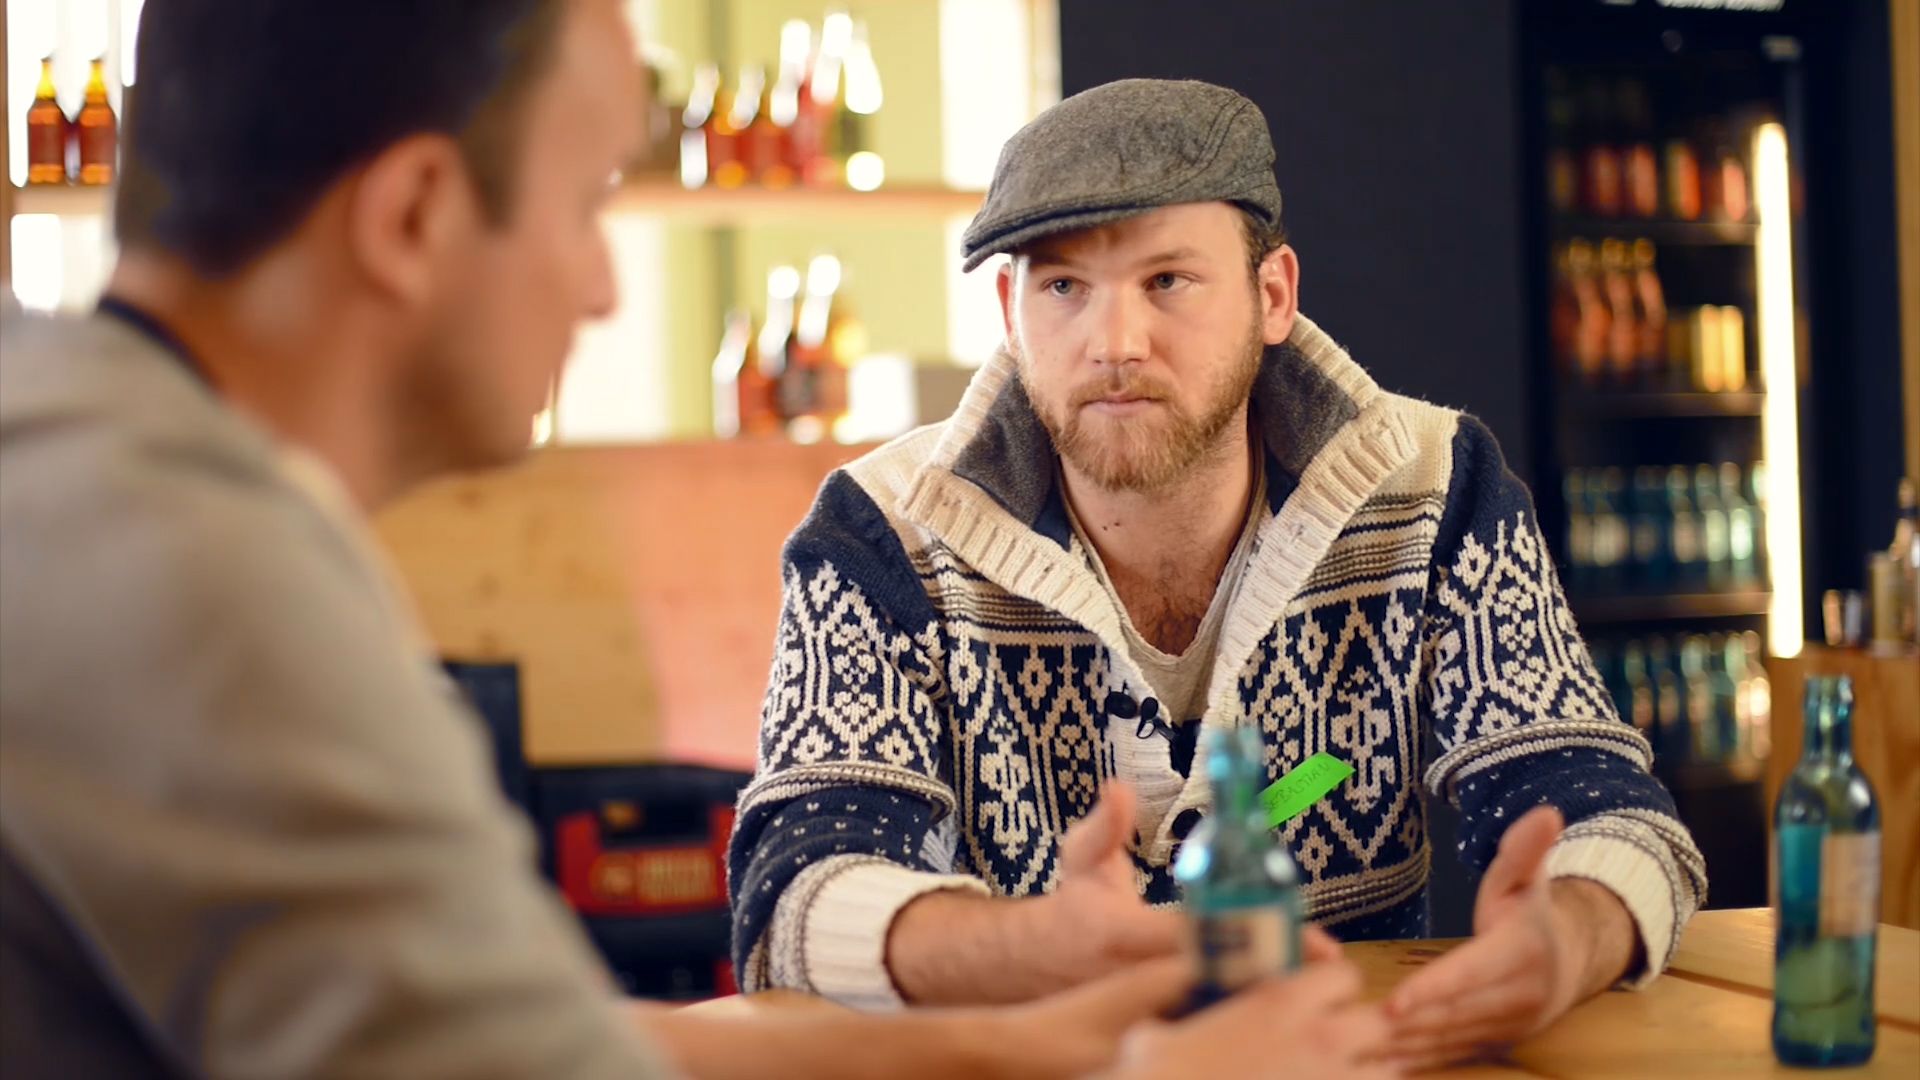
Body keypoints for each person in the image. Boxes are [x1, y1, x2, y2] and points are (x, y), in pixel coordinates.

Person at [0, 4, 1394, 1078]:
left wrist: (1021, 1045)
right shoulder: (203, 596)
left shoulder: (86, 469)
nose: (604, 287)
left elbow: (541, 1045)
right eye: (585, 202)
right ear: (414, 216)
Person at [729, 77, 1709, 1069]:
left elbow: (1609, 809)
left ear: (1272, 295)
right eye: (1063, 287)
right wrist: (1025, 946)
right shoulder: (878, 534)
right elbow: (794, 895)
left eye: (1167, 280)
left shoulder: (1437, 486)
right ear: (1009, 314)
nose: (1115, 344)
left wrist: (1569, 937)